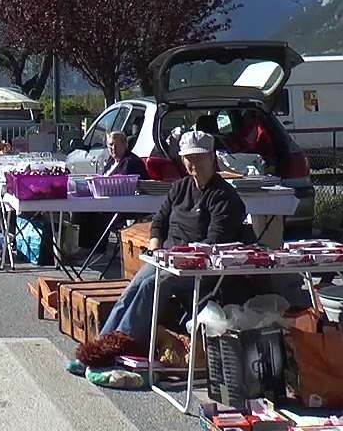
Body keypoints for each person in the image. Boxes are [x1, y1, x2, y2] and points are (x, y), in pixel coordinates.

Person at [70, 130, 247, 381]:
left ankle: (117, 350)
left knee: (151, 286)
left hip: (197, 265)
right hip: (167, 257)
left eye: (198, 157)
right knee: (134, 286)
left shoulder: (223, 196)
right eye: (187, 158)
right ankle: (98, 348)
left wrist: (176, 256)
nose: (192, 163)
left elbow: (214, 242)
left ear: (211, 158)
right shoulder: (180, 187)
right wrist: (155, 247)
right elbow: (159, 221)